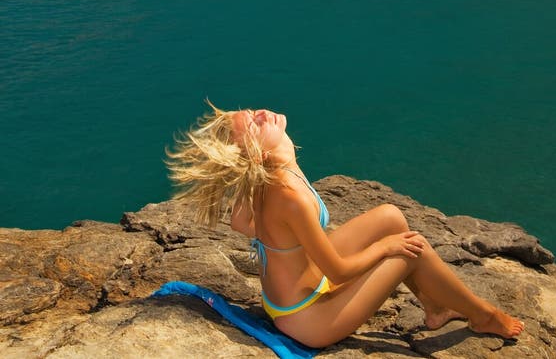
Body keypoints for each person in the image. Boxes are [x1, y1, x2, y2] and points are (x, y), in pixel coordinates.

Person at [165, 103, 524, 349]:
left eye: (251, 111)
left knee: (390, 217)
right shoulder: (288, 193)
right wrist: (387, 248)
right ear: (258, 152)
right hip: (306, 319)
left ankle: (435, 307)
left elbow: (240, 223)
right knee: (410, 249)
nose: (261, 113)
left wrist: (247, 172)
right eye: (255, 124)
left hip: (290, 295)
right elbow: (335, 268)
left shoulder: (265, 176)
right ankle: (483, 316)